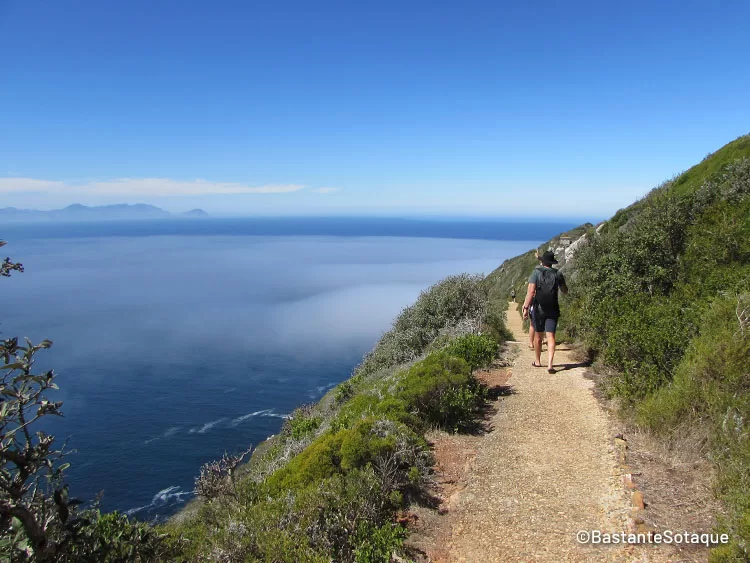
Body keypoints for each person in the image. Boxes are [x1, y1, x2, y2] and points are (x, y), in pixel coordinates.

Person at [522, 251, 568, 374]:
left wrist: (526, 307)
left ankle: (537, 361)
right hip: (553, 308)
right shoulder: (558, 273)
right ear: (552, 262)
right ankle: (550, 365)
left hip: (538, 309)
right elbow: (565, 290)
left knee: (538, 336)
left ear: (542, 261)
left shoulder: (536, 273)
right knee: (551, 336)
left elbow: (531, 292)